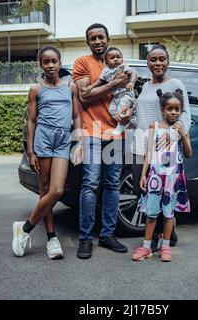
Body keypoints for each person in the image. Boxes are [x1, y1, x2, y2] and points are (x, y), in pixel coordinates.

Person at [12, 45, 83, 259]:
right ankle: (52, 239)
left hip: (62, 142)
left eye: (54, 61)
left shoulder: (70, 87)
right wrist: (31, 151)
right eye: (46, 62)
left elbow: (77, 116)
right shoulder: (36, 89)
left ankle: (24, 229)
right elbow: (32, 121)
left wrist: (79, 141)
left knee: (57, 190)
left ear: (60, 63)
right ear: (41, 65)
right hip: (43, 141)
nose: (51, 65)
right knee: (45, 190)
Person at [73, 23, 134, 259]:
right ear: (88, 42)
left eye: (101, 37)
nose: (97, 41)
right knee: (90, 183)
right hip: (91, 131)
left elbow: (129, 92)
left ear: (108, 39)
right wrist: (113, 84)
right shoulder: (82, 63)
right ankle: (85, 239)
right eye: (93, 38)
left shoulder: (118, 61)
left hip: (116, 133)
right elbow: (85, 95)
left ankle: (107, 235)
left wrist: (129, 111)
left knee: (112, 185)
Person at [131, 44, 191, 252]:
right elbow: (140, 117)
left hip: (164, 150)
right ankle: (162, 231)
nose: (157, 63)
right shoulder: (145, 87)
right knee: (144, 189)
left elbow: (185, 115)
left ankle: (162, 235)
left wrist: (172, 135)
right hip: (141, 144)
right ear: (147, 63)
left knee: (164, 191)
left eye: (161, 59)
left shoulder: (175, 84)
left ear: (168, 61)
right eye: (153, 59)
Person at [85, 46, 137, 135]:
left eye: (118, 57)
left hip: (126, 94)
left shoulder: (123, 66)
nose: (116, 59)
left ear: (122, 59)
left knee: (121, 108)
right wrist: (91, 86)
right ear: (106, 61)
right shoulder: (105, 70)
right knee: (112, 110)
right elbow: (100, 80)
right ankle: (126, 122)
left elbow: (133, 74)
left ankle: (120, 127)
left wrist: (131, 82)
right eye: (112, 58)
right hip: (116, 96)